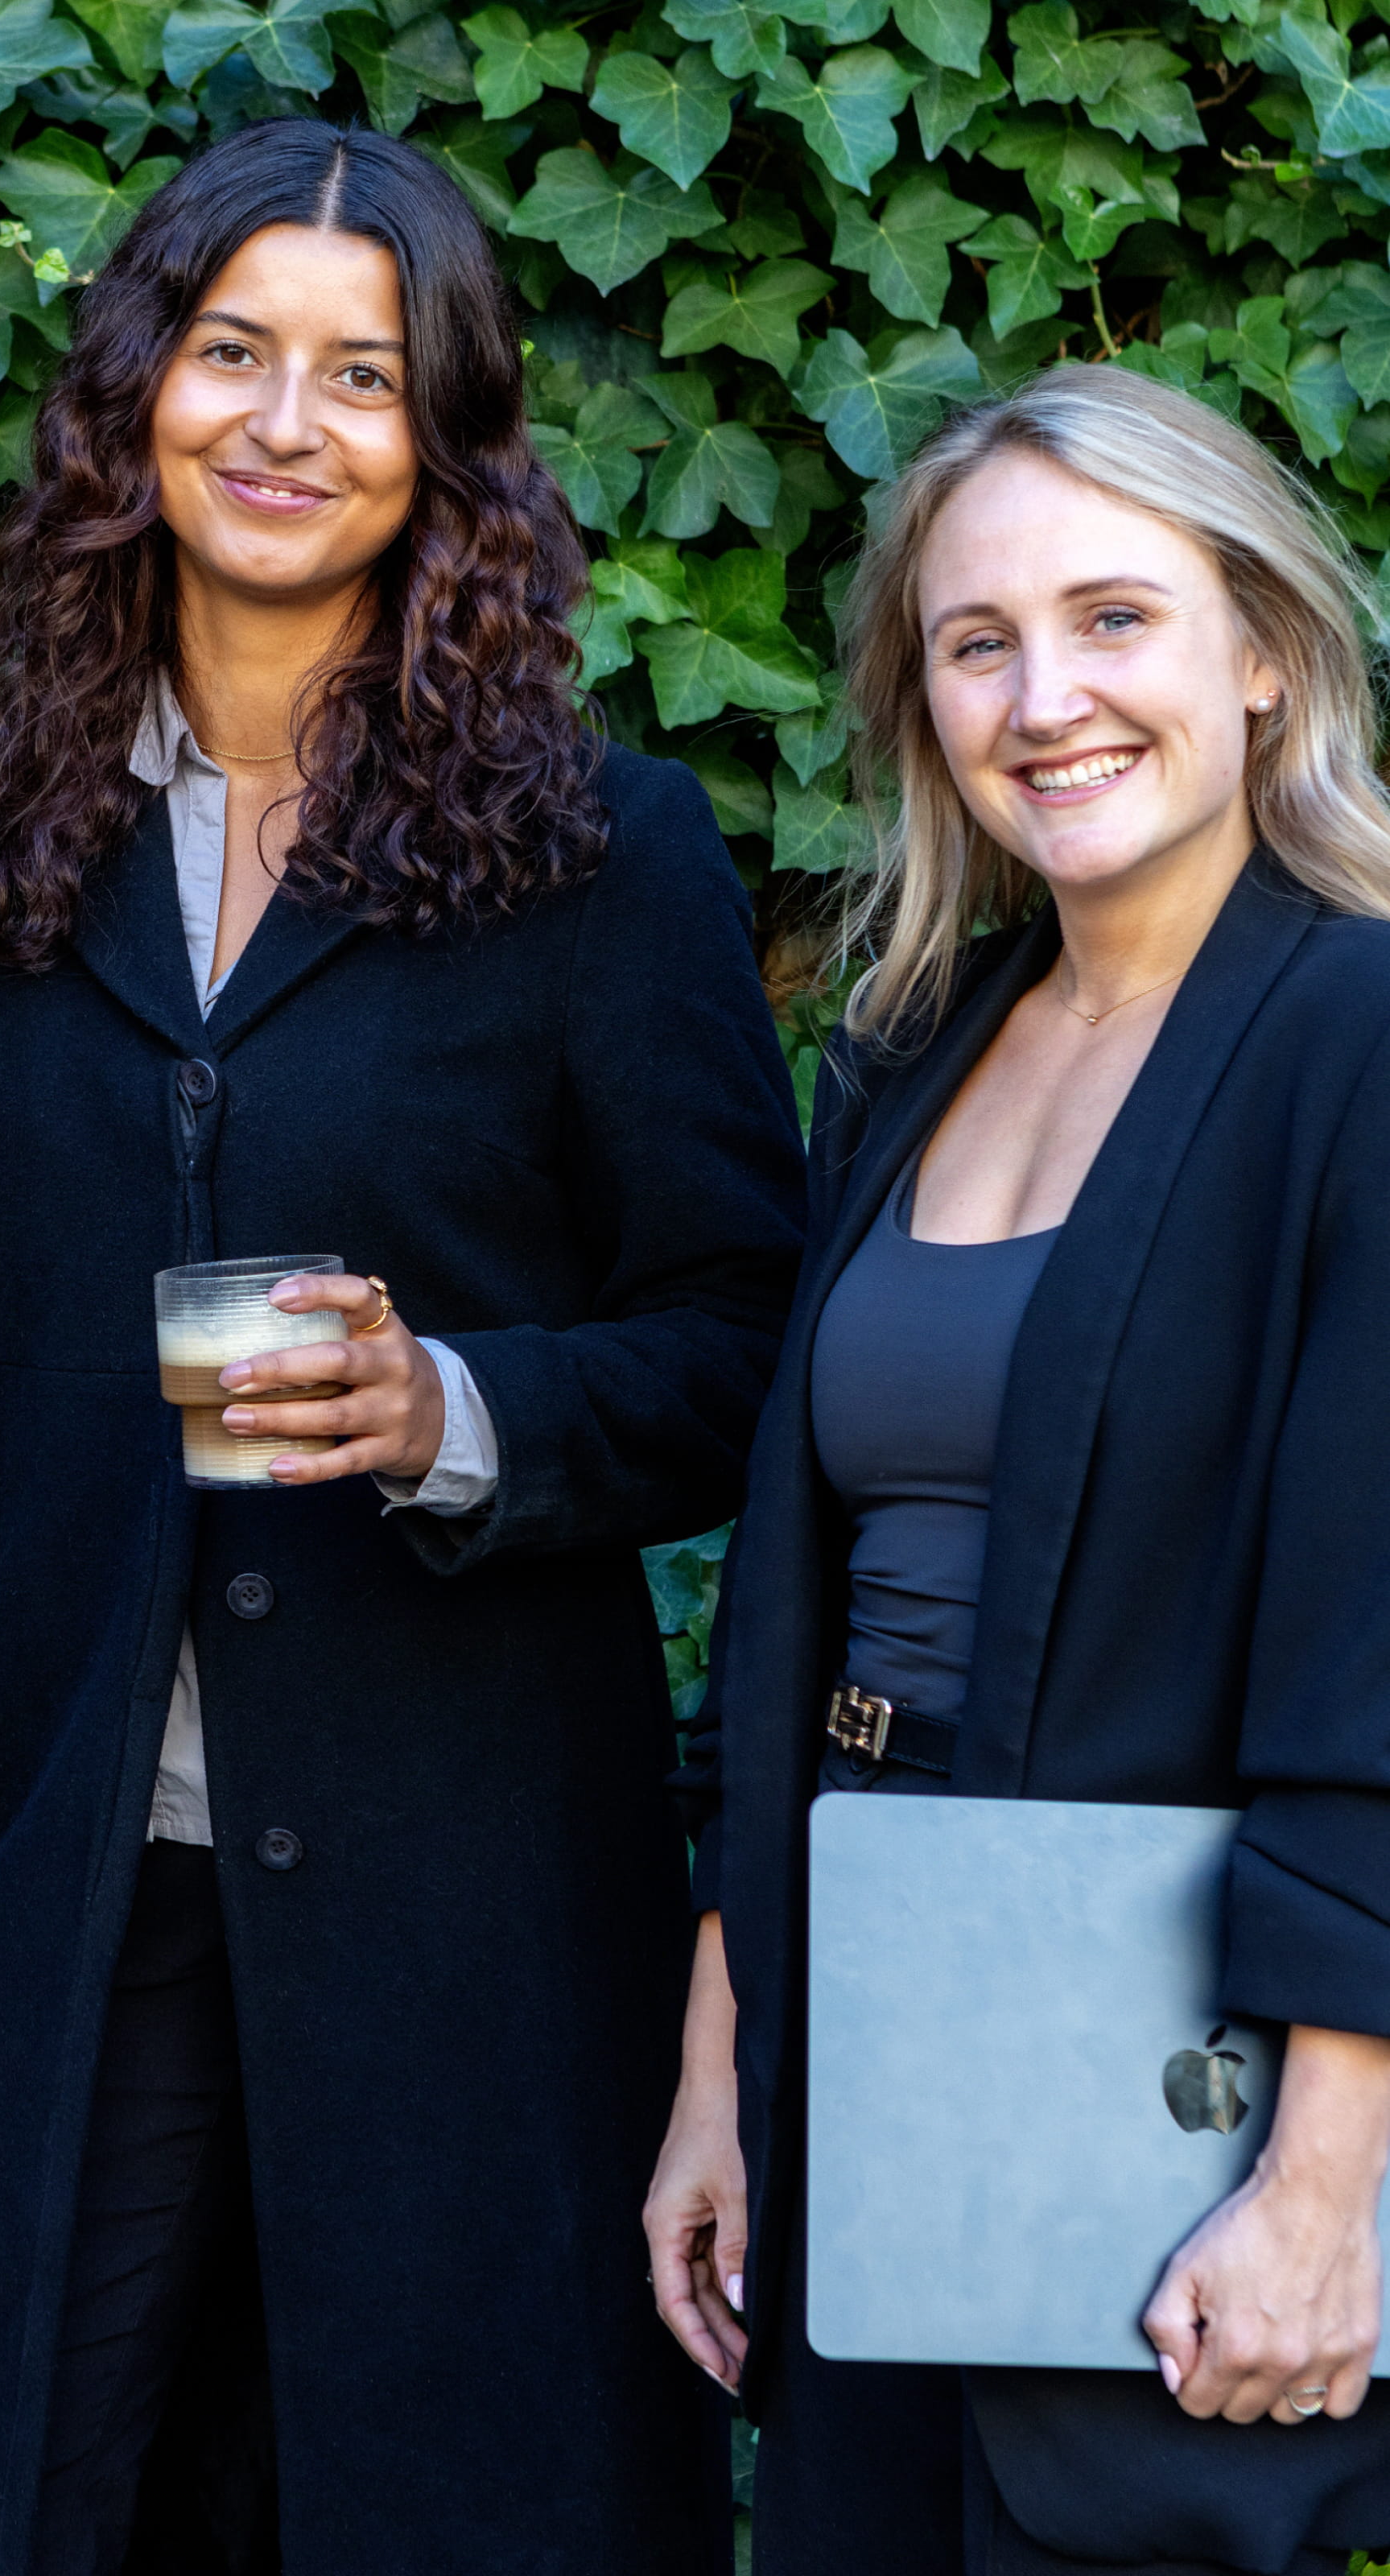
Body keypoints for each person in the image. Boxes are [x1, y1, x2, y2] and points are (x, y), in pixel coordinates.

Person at [0, 117, 805, 2576]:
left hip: (462, 1907)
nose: (286, 424)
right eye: (232, 354)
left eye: (365, 374)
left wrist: (462, 1411)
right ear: (137, 395)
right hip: (63, 1891)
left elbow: (750, 1339)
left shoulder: (599, 850)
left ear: (446, 445)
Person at [648, 363, 1390, 2575]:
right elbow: (790, 1607)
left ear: (1264, 651)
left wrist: (1334, 2181)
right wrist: (728, 2070)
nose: (1044, 695)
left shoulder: (1358, 1038)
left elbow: (1383, 1643)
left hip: (1190, 2074)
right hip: (874, 2013)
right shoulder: (913, 1048)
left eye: (1117, 619)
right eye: (979, 643)